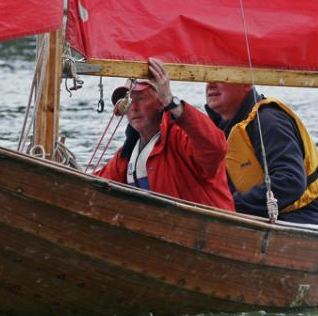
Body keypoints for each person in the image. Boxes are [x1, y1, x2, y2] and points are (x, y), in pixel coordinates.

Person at [95, 57, 235, 211]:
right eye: (127, 101)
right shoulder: (127, 154)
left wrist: (172, 102)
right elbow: (96, 185)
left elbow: (215, 148)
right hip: (162, 230)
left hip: (208, 231)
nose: (133, 107)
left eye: (140, 99)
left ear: (160, 102)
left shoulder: (181, 138)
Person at [205, 82, 318, 225]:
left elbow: (290, 181)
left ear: (245, 84)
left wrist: (230, 206)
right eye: (207, 78)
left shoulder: (268, 121)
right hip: (253, 217)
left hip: (302, 217)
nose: (210, 84)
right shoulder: (219, 128)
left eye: (221, 77)